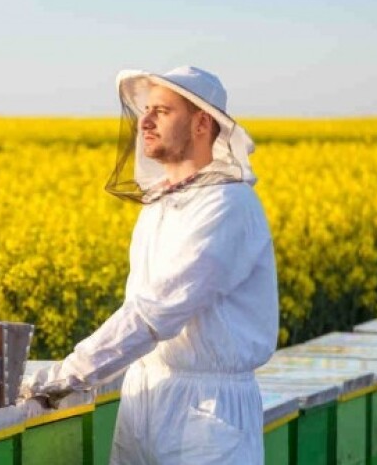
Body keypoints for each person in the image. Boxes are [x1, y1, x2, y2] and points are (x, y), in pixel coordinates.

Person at [20, 66, 279, 464]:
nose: (146, 120)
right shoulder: (161, 204)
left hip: (207, 414)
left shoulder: (227, 206)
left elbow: (156, 311)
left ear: (201, 123)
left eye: (162, 110)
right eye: (145, 110)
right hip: (143, 399)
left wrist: (69, 375)